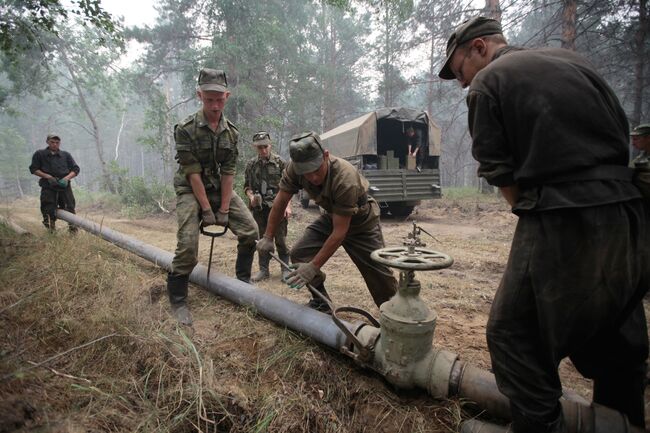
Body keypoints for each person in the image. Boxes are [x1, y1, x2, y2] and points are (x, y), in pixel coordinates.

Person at [439, 16, 649, 433]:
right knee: (615, 332)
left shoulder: (489, 82)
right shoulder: (574, 61)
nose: (462, 83)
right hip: (629, 216)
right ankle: (622, 421)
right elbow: (621, 130)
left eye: (459, 70)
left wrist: (535, 212)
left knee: (512, 336)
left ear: (479, 48)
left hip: (561, 217)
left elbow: (501, 173)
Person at [256, 131, 398, 313]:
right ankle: (322, 302)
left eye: (316, 170)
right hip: (333, 215)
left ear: (326, 155)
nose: (313, 177)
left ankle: (396, 316)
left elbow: (340, 233)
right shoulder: (294, 168)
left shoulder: (345, 177)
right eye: (306, 173)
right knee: (300, 253)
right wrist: (268, 236)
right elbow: (280, 201)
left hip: (362, 222)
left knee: (379, 274)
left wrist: (314, 267)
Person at [167, 68, 258, 325]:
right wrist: (207, 211)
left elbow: (229, 172)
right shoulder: (185, 129)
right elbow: (192, 172)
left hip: (218, 188)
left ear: (227, 96)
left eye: (219, 99)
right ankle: (178, 301)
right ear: (199, 95)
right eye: (209, 99)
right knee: (187, 245)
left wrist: (225, 209)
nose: (215, 105)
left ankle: (242, 282)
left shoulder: (232, 133)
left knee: (251, 230)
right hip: (190, 187)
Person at [244, 132, 292, 282]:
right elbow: (246, 187)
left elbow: (290, 187)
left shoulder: (280, 163)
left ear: (270, 145)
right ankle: (263, 270)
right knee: (262, 240)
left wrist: (287, 206)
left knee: (281, 240)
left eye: (265, 146)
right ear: (255, 147)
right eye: (260, 147)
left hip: (277, 207)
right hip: (259, 209)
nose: (263, 150)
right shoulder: (251, 165)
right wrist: (251, 197)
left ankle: (285, 269)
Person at [29, 134, 79, 233]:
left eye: (57, 142)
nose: (55, 144)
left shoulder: (66, 155)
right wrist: (48, 177)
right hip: (48, 186)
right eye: (52, 142)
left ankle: (73, 231)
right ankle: (51, 233)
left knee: (69, 207)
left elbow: (76, 169)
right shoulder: (40, 154)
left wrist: (66, 178)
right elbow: (33, 169)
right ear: (47, 142)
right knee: (48, 208)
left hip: (64, 186)